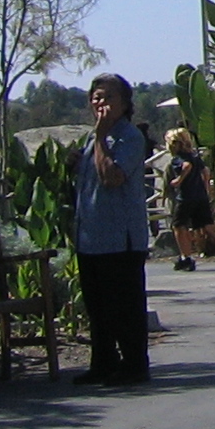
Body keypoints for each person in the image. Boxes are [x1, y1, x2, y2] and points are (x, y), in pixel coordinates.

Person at [72, 73, 154, 385]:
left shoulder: (129, 138)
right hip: (90, 236)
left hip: (121, 239)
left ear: (124, 103)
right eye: (96, 97)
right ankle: (103, 362)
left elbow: (112, 178)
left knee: (125, 306)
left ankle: (134, 365)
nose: (100, 103)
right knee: (98, 307)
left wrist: (101, 139)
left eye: (108, 97)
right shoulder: (91, 138)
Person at [164, 128, 215, 271]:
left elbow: (187, 166)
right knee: (206, 223)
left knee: (179, 226)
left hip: (186, 197)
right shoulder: (195, 157)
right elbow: (206, 171)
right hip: (200, 196)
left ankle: (186, 257)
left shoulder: (178, 159)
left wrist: (179, 180)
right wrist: (206, 187)